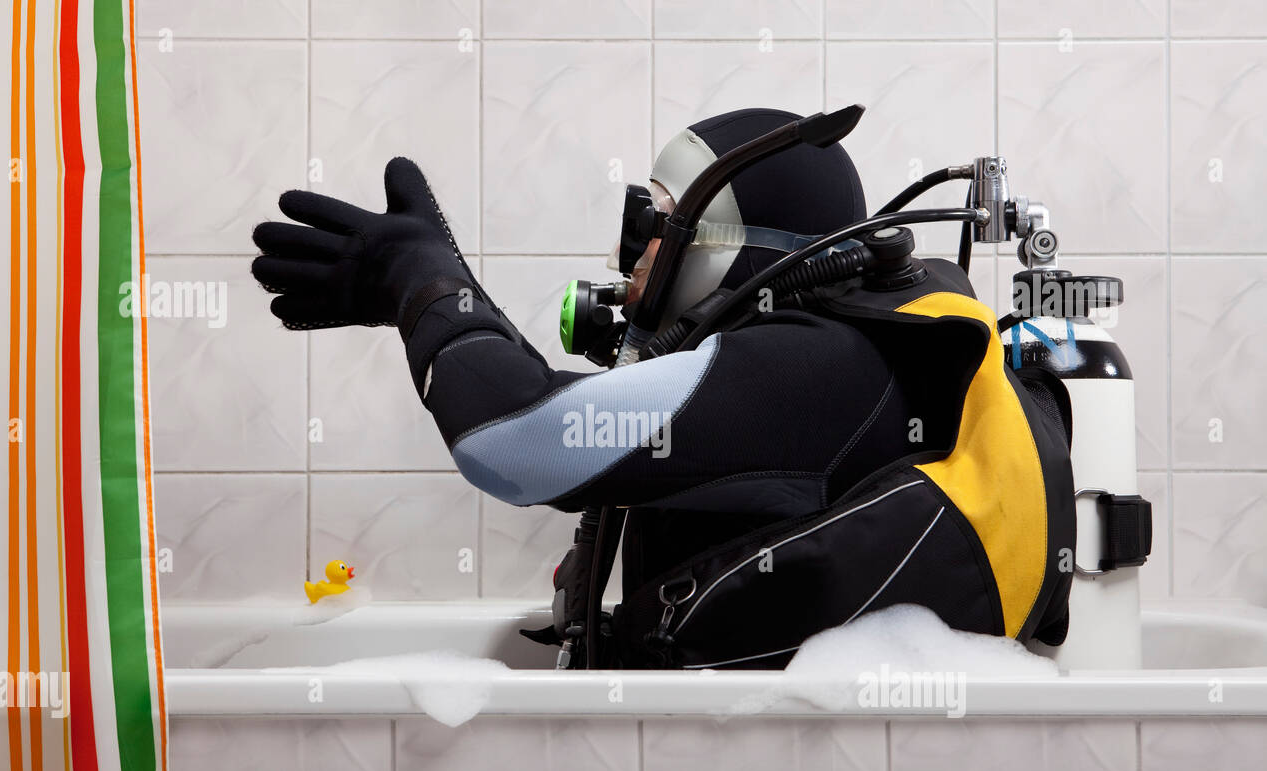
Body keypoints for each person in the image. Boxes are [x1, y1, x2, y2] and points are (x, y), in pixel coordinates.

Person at [252, 108, 1075, 669]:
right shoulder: (835, 358)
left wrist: (422, 284)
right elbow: (555, 411)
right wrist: (434, 292)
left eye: (654, 224)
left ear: (729, 245)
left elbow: (515, 439)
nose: (632, 255)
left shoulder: (812, 367)